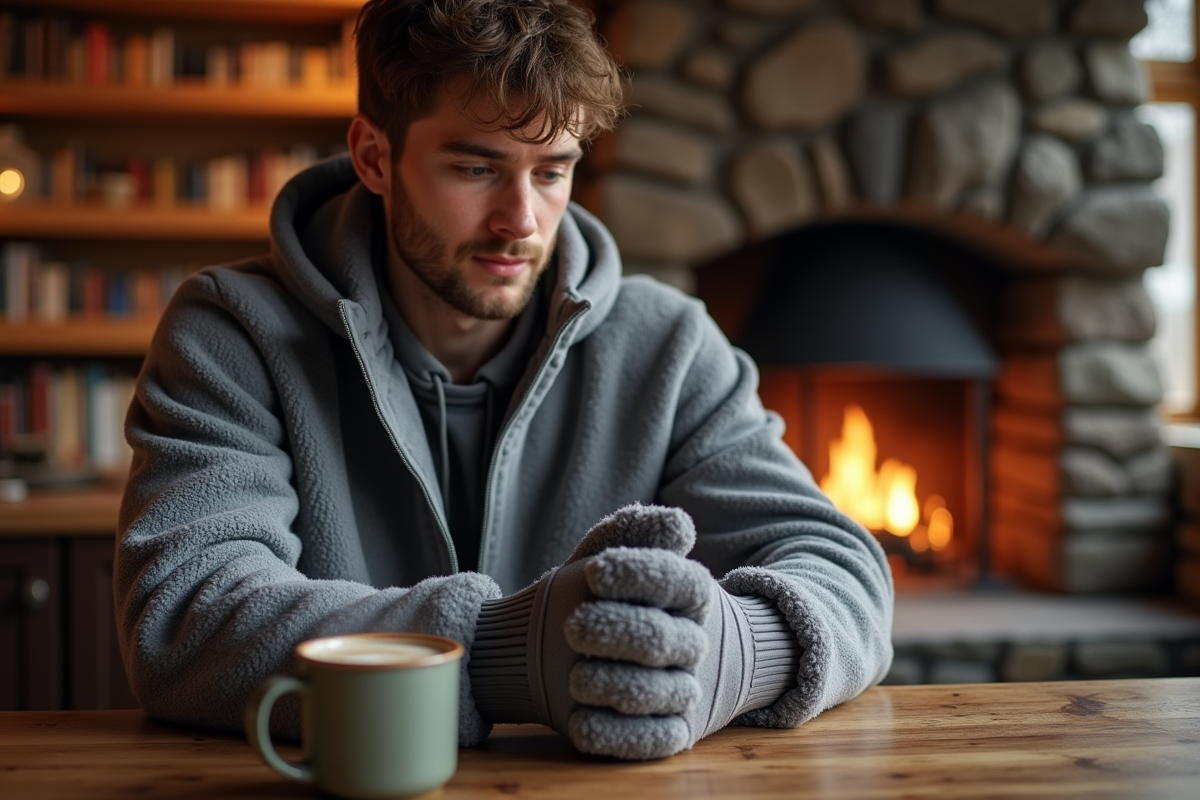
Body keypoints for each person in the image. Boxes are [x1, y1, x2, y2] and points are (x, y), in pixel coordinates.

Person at [114, 0, 892, 761]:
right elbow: (188, 618)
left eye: (552, 171)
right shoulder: (231, 331)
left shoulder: (670, 343)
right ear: (374, 156)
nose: (522, 219)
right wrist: (507, 652)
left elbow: (842, 571)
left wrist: (732, 650)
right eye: (476, 167)